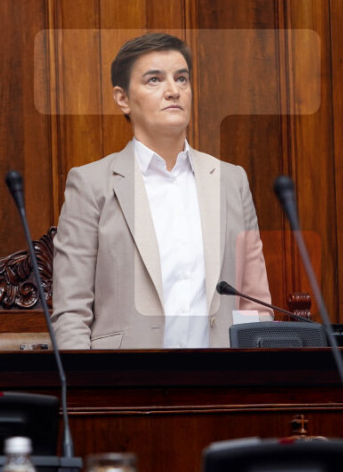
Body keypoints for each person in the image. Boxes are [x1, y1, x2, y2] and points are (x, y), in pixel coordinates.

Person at [50, 32, 272, 349]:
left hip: (221, 372)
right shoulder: (91, 184)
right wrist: (88, 379)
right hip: (126, 374)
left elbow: (253, 301)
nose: (173, 91)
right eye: (154, 80)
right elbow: (71, 313)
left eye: (181, 79)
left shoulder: (230, 181)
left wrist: (252, 372)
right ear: (123, 98)